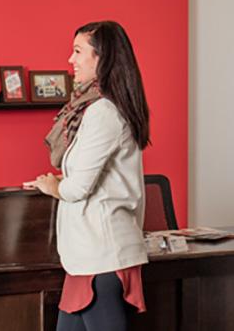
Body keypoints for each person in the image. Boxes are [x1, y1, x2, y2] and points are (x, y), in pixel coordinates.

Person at [23, 21, 150, 331]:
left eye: (78, 51)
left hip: (102, 257)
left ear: (102, 59)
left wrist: (55, 185)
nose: (71, 59)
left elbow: (78, 187)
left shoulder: (103, 112)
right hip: (87, 257)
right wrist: (55, 183)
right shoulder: (96, 109)